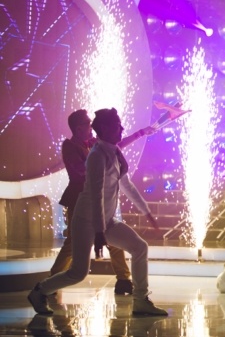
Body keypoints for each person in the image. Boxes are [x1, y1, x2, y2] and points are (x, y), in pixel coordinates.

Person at [28, 108, 168, 316]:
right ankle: (39, 291)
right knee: (78, 272)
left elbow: (126, 185)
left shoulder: (114, 152)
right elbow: (96, 194)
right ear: (105, 128)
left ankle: (140, 301)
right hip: (86, 221)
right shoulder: (96, 155)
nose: (122, 128)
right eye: (117, 125)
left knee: (140, 247)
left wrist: (146, 212)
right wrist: (100, 232)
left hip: (106, 221)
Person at [50, 109, 154, 295]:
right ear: (78, 128)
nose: (91, 126)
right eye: (87, 123)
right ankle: (51, 281)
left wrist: (140, 134)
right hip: (79, 201)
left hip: (98, 204)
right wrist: (103, 162)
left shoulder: (94, 145)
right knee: (72, 246)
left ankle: (123, 279)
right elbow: (84, 171)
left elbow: (115, 145)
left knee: (114, 241)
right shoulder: (72, 146)